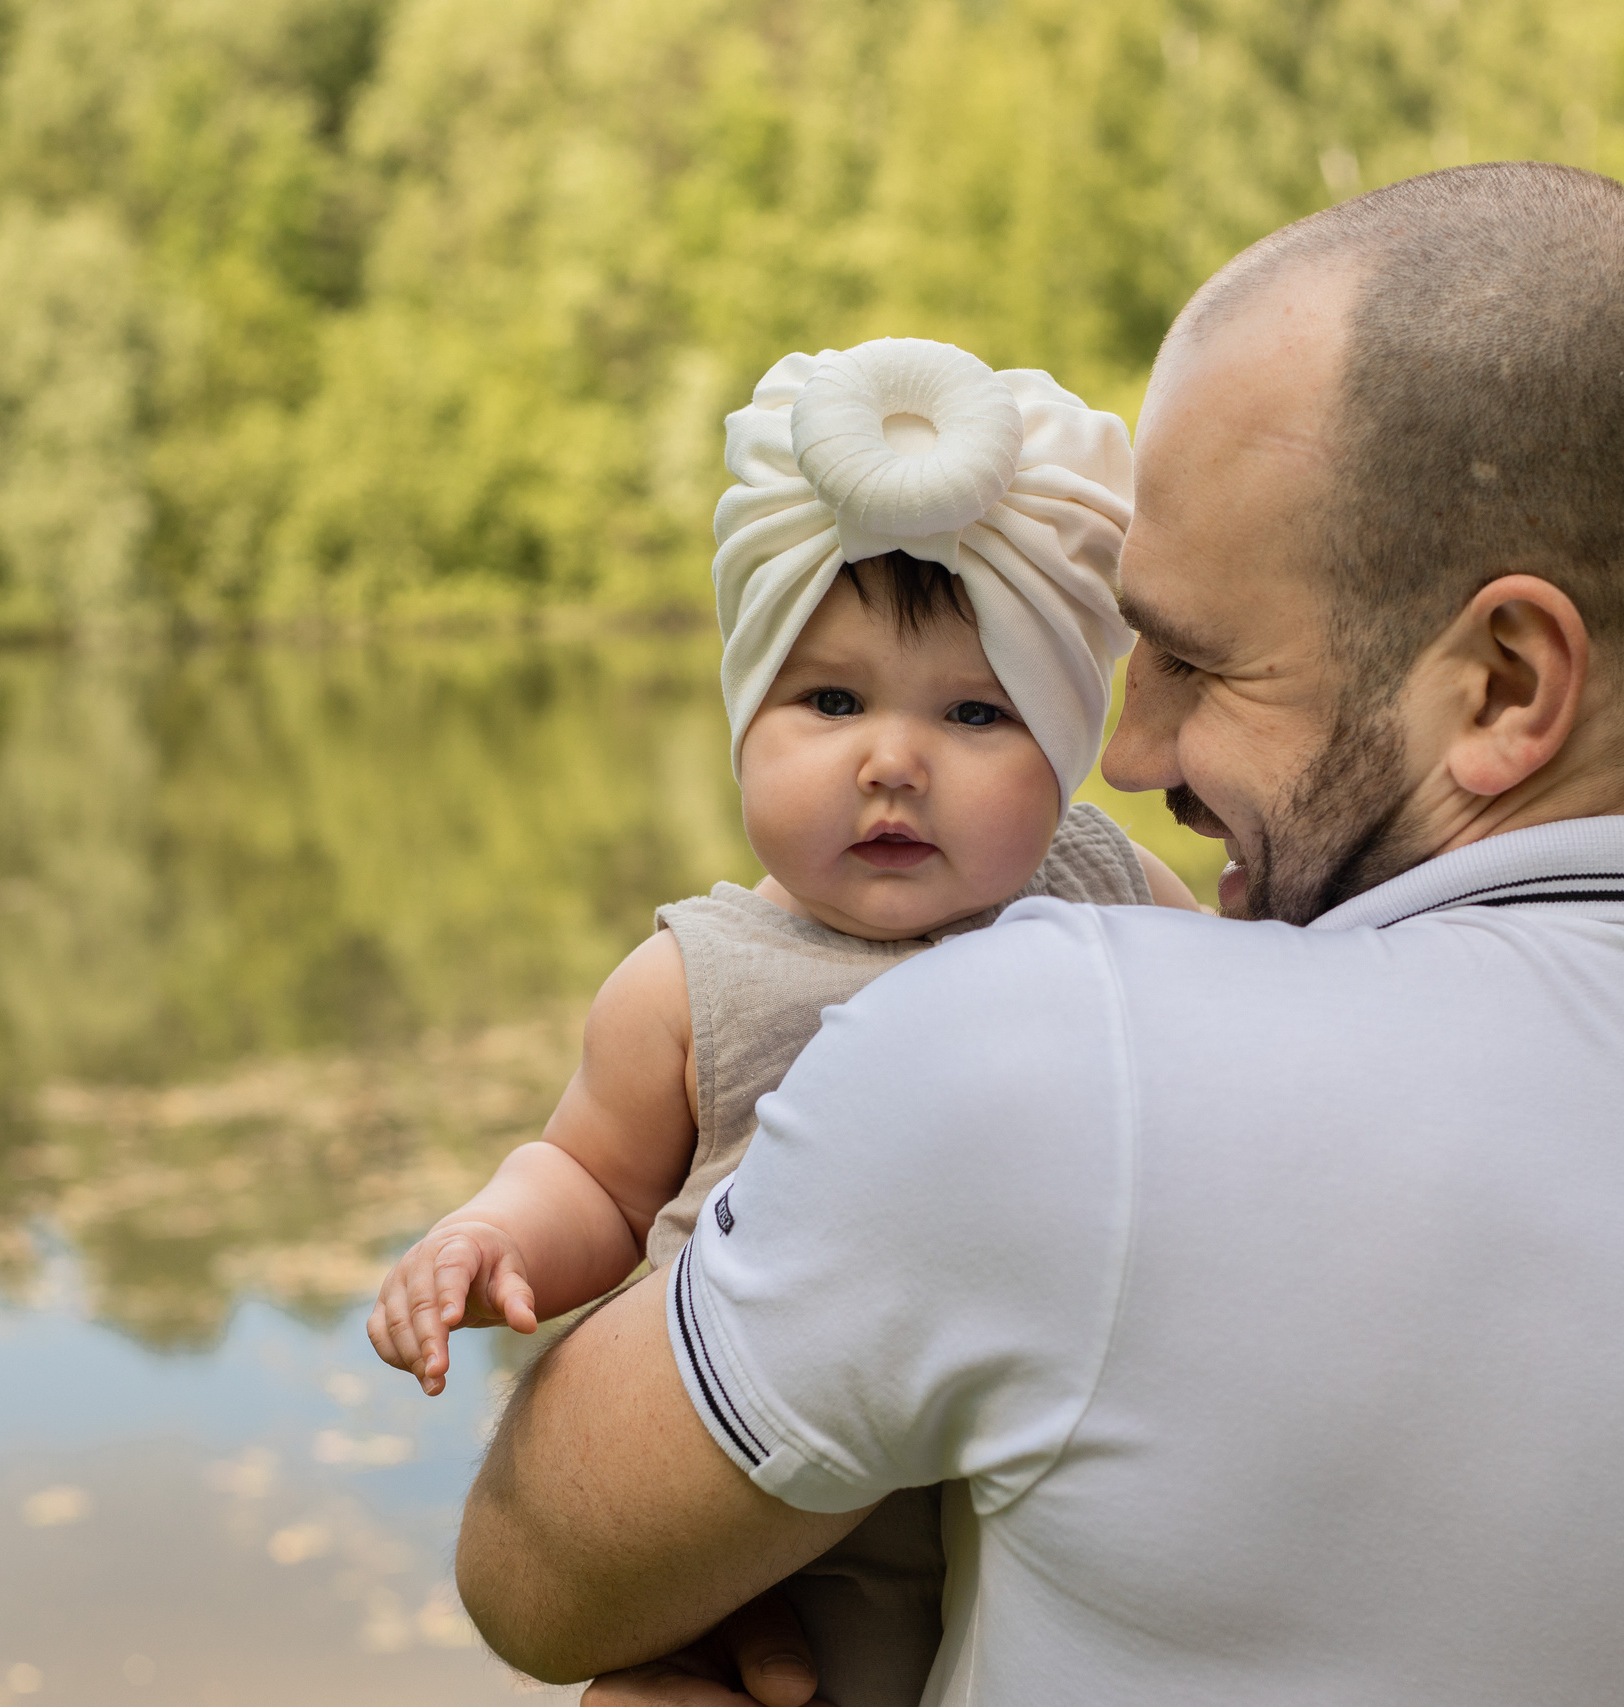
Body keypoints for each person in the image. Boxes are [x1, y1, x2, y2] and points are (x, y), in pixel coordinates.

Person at [455, 163, 1624, 1707]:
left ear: (1504, 683)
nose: (1127, 754)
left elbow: (536, 1572)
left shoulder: (1057, 1049)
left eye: (1199, 663)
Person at [365, 336, 1200, 1706]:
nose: (892, 759)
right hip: (798, 1554)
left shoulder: (1110, 887)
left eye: (975, 712)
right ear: (745, 720)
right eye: (831, 700)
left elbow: (1242, 1050)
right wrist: (492, 1238)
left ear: (1064, 756)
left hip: (1065, 1498)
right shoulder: (697, 982)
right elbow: (591, 1177)